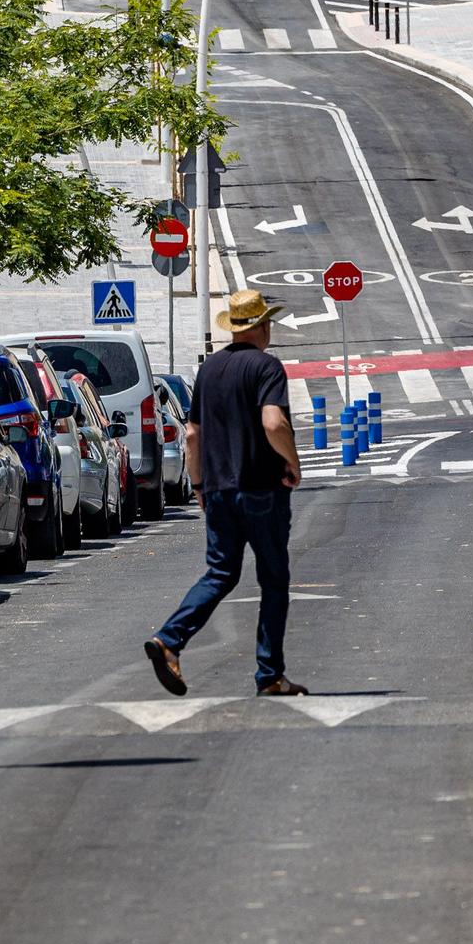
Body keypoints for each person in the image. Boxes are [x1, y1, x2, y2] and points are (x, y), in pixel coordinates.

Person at [144, 289, 307, 699]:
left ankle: (169, 639)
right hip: (261, 489)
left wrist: (198, 485)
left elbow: (193, 435)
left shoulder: (209, 370)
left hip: (217, 490)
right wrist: (293, 462)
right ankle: (269, 674)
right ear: (262, 326)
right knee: (273, 578)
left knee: (220, 573)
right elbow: (273, 424)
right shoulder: (267, 368)